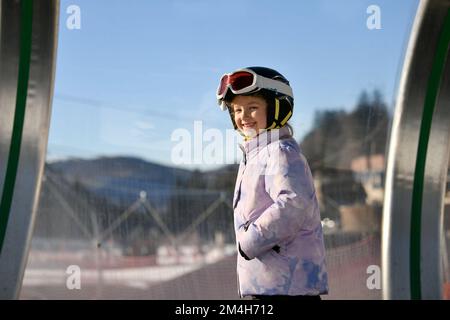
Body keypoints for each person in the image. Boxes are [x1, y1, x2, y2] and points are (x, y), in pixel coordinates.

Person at [216, 66, 328, 300]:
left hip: (289, 287)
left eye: (252, 108)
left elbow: (293, 203)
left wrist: (250, 242)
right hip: (270, 284)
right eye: (237, 110)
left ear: (277, 108)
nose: (243, 116)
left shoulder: (280, 151)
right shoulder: (256, 154)